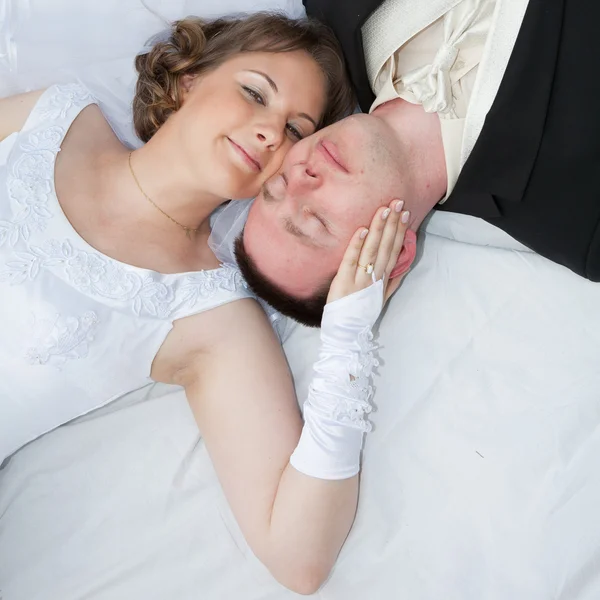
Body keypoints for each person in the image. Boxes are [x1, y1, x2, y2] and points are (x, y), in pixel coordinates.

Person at [0, 12, 411, 594]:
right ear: (190, 77)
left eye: (296, 130)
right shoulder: (53, 115)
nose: (271, 132)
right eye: (254, 92)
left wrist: (349, 332)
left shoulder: (209, 317)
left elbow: (298, 558)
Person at [236, 0, 600, 326]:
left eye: (278, 184)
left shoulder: (331, 9)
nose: (301, 177)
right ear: (394, 256)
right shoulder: (580, 215)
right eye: (315, 220)